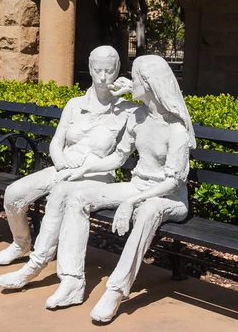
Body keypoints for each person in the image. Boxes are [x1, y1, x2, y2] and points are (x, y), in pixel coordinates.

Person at [53, 54, 195, 322]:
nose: (128, 80)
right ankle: (71, 280)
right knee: (78, 196)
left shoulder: (176, 130)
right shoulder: (139, 116)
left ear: (148, 83)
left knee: (149, 209)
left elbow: (172, 182)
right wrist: (84, 170)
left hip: (168, 197)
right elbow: (119, 157)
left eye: (134, 77)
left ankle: (116, 290)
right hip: (138, 185)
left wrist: (132, 201)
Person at [0, 46, 138, 308]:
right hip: (64, 167)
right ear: (90, 68)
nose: (104, 76)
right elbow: (56, 142)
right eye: (98, 70)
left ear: (118, 70)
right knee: (14, 193)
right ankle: (21, 243)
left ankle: (39, 265)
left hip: (96, 176)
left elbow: (122, 154)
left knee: (62, 195)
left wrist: (134, 90)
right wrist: (61, 162)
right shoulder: (75, 104)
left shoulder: (128, 110)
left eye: (110, 70)